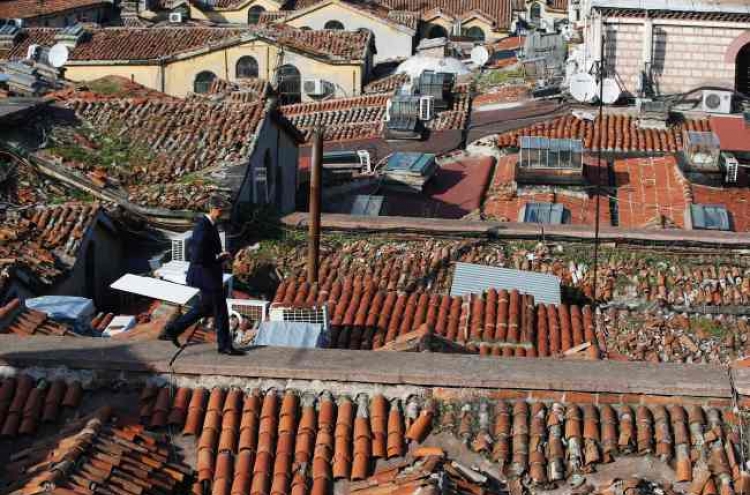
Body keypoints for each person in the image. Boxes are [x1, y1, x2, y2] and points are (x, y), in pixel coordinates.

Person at [158, 195, 246, 355]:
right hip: (206, 277)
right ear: (214, 209)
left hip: (207, 275)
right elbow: (197, 255)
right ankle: (224, 346)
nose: (224, 214)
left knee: (203, 307)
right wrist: (219, 257)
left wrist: (220, 255)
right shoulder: (203, 227)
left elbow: (206, 250)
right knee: (221, 311)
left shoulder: (209, 225)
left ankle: (172, 330)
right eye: (222, 211)